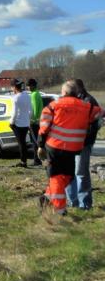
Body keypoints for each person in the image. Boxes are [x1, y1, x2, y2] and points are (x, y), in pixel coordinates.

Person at [38, 80, 101, 215]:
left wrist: (40, 144)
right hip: (73, 149)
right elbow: (99, 114)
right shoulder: (87, 107)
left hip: (54, 147)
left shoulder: (53, 106)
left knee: (59, 177)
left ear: (64, 92)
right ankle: (59, 208)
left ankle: (52, 201)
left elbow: (44, 126)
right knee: (66, 177)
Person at [66, 79, 100, 210]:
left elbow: (95, 124)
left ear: (77, 88)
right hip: (71, 142)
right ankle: (73, 202)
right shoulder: (73, 100)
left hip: (83, 143)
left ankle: (84, 204)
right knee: (70, 172)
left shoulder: (88, 101)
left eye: (69, 87)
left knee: (80, 172)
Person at [10, 80, 31, 167]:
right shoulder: (27, 96)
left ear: (14, 87)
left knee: (21, 143)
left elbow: (14, 112)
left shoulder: (15, 98)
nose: (11, 89)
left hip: (18, 123)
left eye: (12, 87)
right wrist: (28, 120)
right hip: (26, 123)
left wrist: (11, 122)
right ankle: (24, 161)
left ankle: (23, 162)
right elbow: (30, 110)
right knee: (23, 143)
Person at [27, 79, 43, 166]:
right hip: (39, 121)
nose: (28, 87)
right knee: (37, 140)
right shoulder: (37, 93)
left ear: (33, 85)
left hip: (35, 122)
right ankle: (37, 159)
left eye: (28, 86)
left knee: (35, 141)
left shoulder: (34, 95)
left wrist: (33, 120)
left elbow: (35, 109)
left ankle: (37, 160)